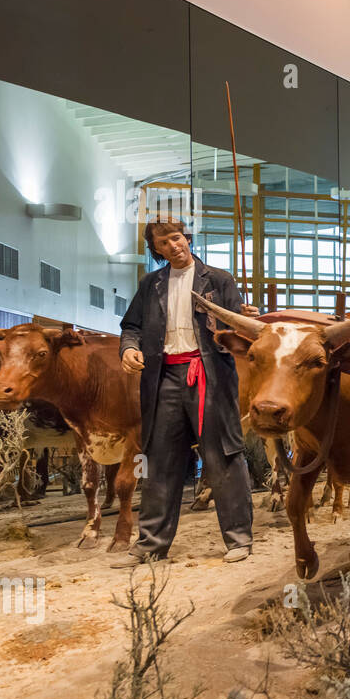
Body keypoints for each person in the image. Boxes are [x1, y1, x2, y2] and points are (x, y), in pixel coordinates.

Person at [112, 216, 257, 567]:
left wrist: (248, 316)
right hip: (163, 378)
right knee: (159, 459)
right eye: (163, 244)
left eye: (176, 238)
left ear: (187, 238)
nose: (173, 246)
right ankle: (151, 544)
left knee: (222, 453)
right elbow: (131, 326)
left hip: (210, 376)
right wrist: (129, 348)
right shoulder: (151, 284)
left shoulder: (219, 279)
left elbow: (238, 324)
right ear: (157, 250)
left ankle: (239, 539)